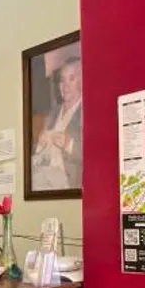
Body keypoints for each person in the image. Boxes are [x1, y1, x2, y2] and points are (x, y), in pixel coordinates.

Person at [32, 57, 83, 191]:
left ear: (82, 80)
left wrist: (69, 144)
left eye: (71, 79)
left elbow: (98, 156)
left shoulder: (90, 112)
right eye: (62, 80)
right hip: (45, 184)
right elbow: (38, 157)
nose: (65, 86)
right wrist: (40, 145)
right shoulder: (52, 114)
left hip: (70, 188)